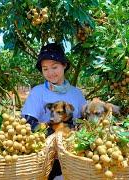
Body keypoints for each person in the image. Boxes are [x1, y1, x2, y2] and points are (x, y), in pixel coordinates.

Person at [21, 42, 86, 180]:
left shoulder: (76, 94)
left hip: (72, 156)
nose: (50, 73)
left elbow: (84, 123)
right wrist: (53, 135)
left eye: (54, 67)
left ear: (65, 65)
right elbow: (28, 122)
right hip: (46, 158)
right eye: (45, 69)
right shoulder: (38, 92)